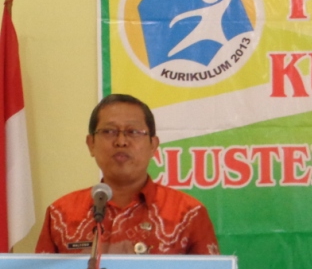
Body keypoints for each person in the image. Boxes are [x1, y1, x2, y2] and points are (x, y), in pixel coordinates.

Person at [35, 93, 219, 255]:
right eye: (109, 131)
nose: (121, 141)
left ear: (153, 145)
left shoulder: (189, 214)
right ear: (91, 144)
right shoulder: (61, 214)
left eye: (133, 132)